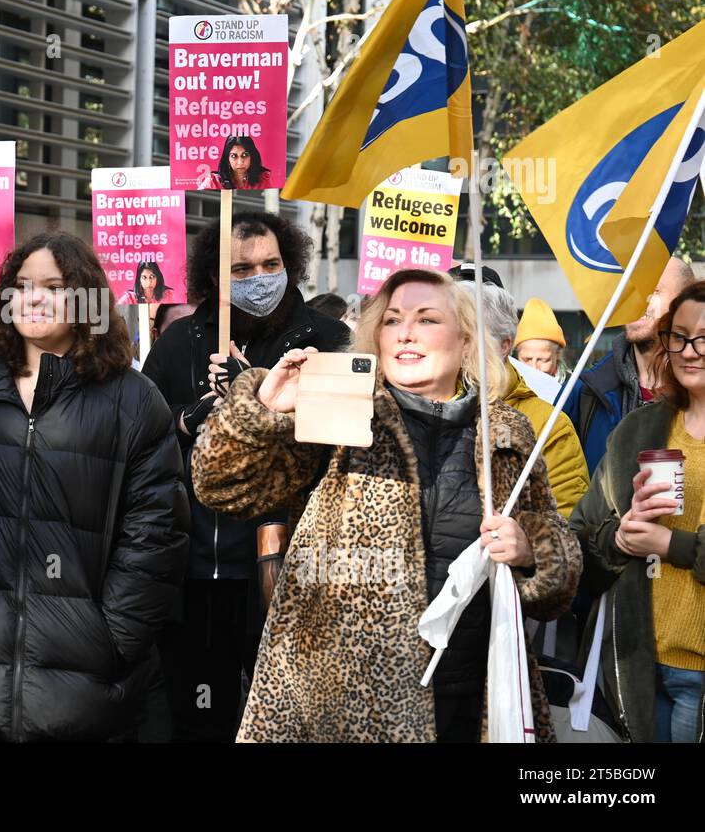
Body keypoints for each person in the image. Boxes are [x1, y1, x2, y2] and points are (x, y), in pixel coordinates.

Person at [192, 268, 582, 742]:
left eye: (427, 319)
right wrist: (267, 410)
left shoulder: (506, 433)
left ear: (465, 341)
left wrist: (530, 551)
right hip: (341, 712)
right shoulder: (340, 413)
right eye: (393, 320)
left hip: (469, 701)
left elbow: (559, 579)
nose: (407, 333)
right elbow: (222, 486)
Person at [0, 231, 189, 741]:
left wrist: (109, 639)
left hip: (89, 696)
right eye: (22, 285)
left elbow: (157, 533)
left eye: (53, 286)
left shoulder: (133, 400)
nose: (33, 297)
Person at [141, 211, 350, 742]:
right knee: (197, 719)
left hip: (288, 568)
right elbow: (138, 434)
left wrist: (259, 401)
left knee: (286, 720)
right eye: (242, 269)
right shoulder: (180, 341)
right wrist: (190, 417)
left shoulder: (331, 340)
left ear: (291, 264)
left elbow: (342, 447)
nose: (259, 277)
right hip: (194, 569)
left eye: (271, 264)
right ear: (214, 276)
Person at [570, 279, 705, 743]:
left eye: (704, 337)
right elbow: (581, 534)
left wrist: (672, 544)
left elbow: (674, 544)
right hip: (638, 665)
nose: (691, 350)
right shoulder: (640, 428)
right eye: (680, 336)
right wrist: (620, 539)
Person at [454, 278, 589, 518]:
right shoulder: (417, 406)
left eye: (469, 335)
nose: (457, 346)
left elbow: (566, 527)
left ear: (504, 345)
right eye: (451, 332)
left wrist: (523, 544)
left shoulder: (550, 427)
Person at [564, 257, 694, 473]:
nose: (636, 300)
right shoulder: (583, 393)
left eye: (653, 290)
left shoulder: (698, 394)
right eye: (630, 289)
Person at [515, 297, 568, 384]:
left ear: (558, 354)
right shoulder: (506, 390)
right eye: (527, 359)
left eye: (543, 360)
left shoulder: (573, 389)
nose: (534, 368)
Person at [197, 135, 273, 191]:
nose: (240, 162)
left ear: (252, 156)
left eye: (245, 155)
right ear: (227, 159)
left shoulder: (263, 179)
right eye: (234, 156)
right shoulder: (213, 181)